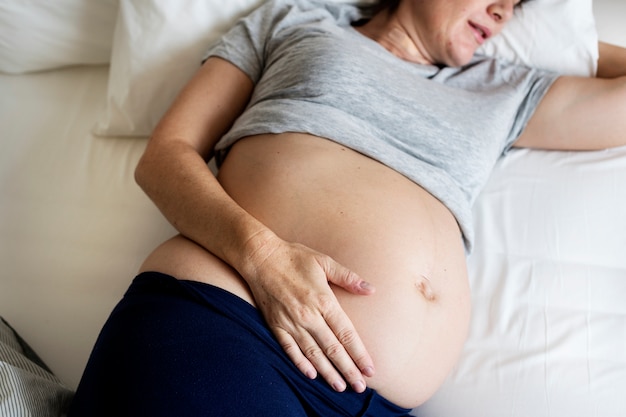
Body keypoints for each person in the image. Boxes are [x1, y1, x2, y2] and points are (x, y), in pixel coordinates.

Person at [68, 0, 626, 415]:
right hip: (234, 332)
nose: (505, 11)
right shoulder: (298, 23)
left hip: (375, 402)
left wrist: (571, 43)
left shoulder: (506, 89)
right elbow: (165, 157)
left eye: (520, 3)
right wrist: (263, 257)